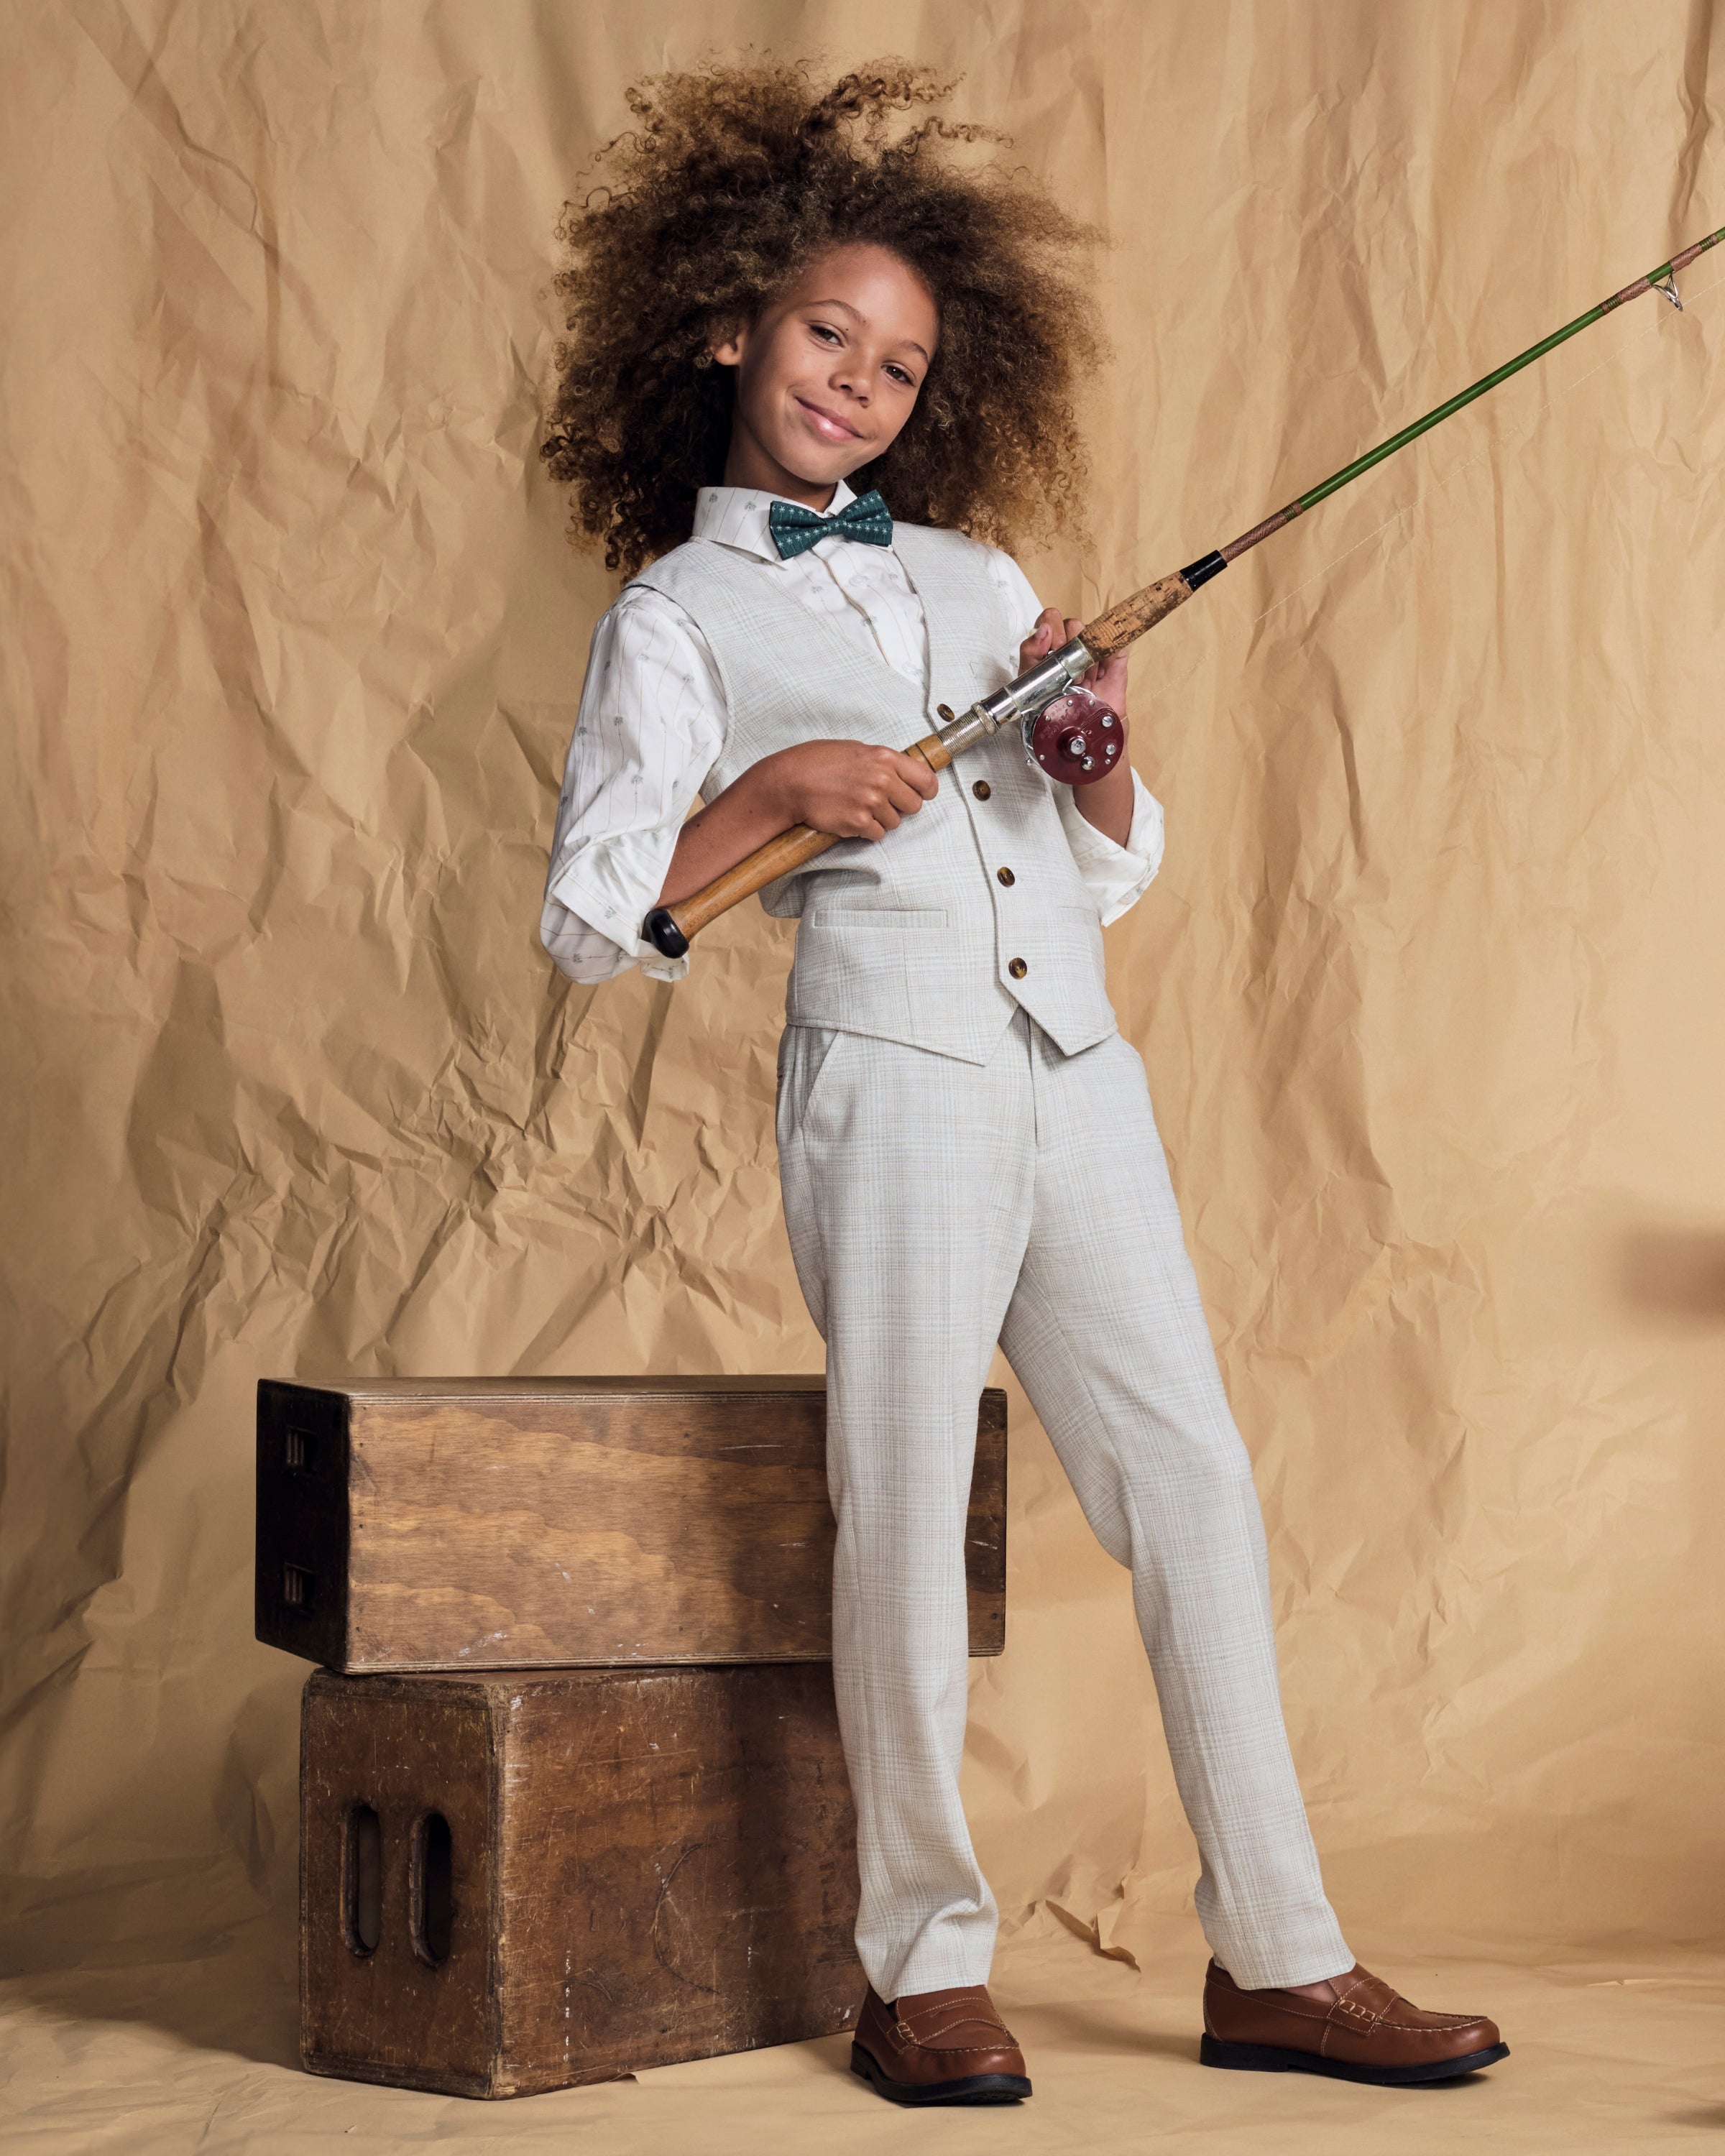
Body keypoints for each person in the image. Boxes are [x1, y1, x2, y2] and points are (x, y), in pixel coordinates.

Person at [538, 60, 1506, 2106]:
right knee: (904, 1509)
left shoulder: (979, 581)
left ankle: (1282, 1959)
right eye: (828, 336)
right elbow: (593, 918)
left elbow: (1106, 865)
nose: (859, 385)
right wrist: (775, 796)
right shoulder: (677, 615)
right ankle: (921, 1972)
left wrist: (1097, 753)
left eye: (898, 368)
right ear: (726, 328)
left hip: (1080, 1072)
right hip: (890, 1087)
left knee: (1196, 1485)